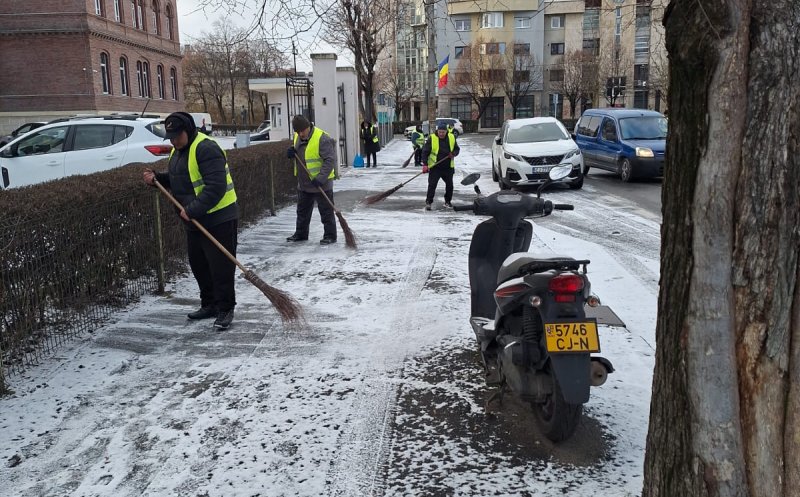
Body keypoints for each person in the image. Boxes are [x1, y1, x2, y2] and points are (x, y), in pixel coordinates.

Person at [142, 112, 238, 330]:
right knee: (199, 264)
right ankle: (210, 304)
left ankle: (225, 308)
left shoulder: (206, 148)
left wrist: (192, 209)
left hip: (219, 217)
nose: (174, 141)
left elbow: (216, 187)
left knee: (221, 267)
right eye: (171, 137)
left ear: (188, 130)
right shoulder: (178, 151)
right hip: (194, 219)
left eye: (177, 136)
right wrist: (157, 178)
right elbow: (179, 179)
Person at [285, 115, 338, 245]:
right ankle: (301, 234)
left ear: (308, 126)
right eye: (298, 132)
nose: (300, 134)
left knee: (326, 211)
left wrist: (320, 178)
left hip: (321, 183)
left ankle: (330, 235)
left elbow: (330, 160)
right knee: (302, 211)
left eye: (302, 131)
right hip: (304, 183)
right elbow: (301, 153)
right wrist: (292, 152)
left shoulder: (322, 138)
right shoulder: (298, 137)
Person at [421, 122, 460, 211]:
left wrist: (453, 153)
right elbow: (425, 152)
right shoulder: (432, 138)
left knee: (450, 185)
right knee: (432, 185)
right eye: (440, 132)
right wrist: (425, 164)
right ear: (437, 131)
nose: (441, 134)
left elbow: (457, 149)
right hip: (435, 167)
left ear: (446, 131)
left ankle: (447, 201)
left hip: (448, 167)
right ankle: (429, 202)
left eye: (443, 132)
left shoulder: (451, 137)